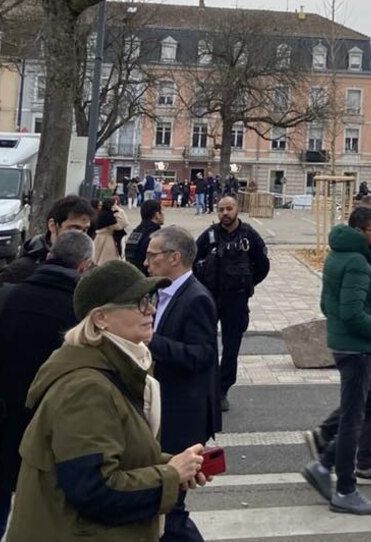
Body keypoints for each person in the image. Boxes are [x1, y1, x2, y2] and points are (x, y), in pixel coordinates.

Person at [6, 260, 209, 542]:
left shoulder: (118, 370)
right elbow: (94, 489)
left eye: (149, 299)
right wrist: (170, 475)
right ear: (101, 318)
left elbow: (116, 455)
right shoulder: (86, 389)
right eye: (138, 302)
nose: (151, 309)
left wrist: (173, 464)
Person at [0, 231, 94, 542]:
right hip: (53, 431)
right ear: (84, 266)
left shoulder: (3, 297)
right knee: (48, 518)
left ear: (49, 257)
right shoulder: (85, 315)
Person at [305, 201, 371, 487]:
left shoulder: (357, 254)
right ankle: (339, 474)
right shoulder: (358, 260)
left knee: (369, 407)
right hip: (361, 347)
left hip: (358, 343)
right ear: (359, 231)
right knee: (357, 414)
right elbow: (350, 311)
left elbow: (333, 304)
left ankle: (328, 454)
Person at [145, 226, 221, 542]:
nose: (146, 261)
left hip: (182, 415)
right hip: (165, 408)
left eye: (153, 255)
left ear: (175, 258)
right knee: (166, 501)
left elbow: (202, 356)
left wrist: (151, 341)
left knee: (171, 504)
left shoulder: (196, 298)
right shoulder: (159, 290)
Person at [0, 196, 96, 334]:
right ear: (53, 226)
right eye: (74, 228)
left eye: (85, 230)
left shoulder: (92, 272)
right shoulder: (23, 268)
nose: (81, 236)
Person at [194, 196, 270, 411]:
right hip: (210, 297)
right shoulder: (209, 236)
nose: (224, 213)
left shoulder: (249, 236)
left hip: (236, 299)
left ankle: (222, 390)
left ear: (237, 210)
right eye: (221, 209)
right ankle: (205, 386)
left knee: (231, 347)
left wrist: (248, 283)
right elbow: (192, 260)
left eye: (229, 209)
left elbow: (262, 265)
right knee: (205, 343)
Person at [125, 200, 165, 275]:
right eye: (162, 211)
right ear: (157, 214)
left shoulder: (135, 232)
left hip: (132, 274)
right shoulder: (156, 234)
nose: (164, 214)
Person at [93, 198, 129, 265]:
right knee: (106, 261)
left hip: (102, 239)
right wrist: (121, 212)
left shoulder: (103, 214)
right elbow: (122, 224)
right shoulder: (107, 216)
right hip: (107, 240)